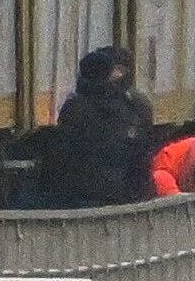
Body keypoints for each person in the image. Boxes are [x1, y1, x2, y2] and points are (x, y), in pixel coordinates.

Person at [39, 46, 155, 207]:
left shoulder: (75, 107)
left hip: (82, 195)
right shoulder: (134, 105)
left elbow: (62, 154)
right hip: (125, 194)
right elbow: (144, 153)